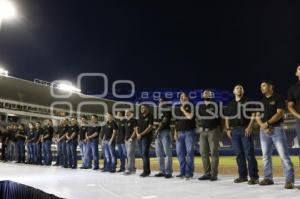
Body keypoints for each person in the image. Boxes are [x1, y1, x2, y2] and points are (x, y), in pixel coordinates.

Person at [256, 80, 294, 189]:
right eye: (261, 86)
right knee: (266, 156)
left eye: (263, 85)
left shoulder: (278, 97)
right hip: (263, 131)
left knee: (283, 156)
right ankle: (268, 178)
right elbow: (257, 116)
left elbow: (280, 113)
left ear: (270, 86)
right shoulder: (261, 101)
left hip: (276, 129)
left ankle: (289, 180)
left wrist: (267, 124)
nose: (261, 88)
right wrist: (263, 126)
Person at [225, 85, 259, 184]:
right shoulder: (230, 104)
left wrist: (249, 127)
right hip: (234, 131)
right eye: (237, 88)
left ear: (243, 91)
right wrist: (227, 129)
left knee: (249, 154)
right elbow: (227, 117)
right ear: (233, 91)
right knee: (239, 155)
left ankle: (254, 177)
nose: (239, 89)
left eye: (241, 88)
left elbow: (253, 115)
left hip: (245, 129)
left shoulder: (248, 102)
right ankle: (242, 176)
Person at [198, 90, 221, 181]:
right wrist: (199, 127)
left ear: (211, 95)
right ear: (202, 95)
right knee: (203, 153)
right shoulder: (200, 106)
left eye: (208, 93)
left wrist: (221, 130)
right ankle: (207, 173)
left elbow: (221, 118)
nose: (206, 94)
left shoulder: (216, 105)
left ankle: (214, 174)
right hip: (203, 132)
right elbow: (198, 118)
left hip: (213, 131)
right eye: (205, 93)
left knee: (214, 153)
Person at [174, 92, 196, 180]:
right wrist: (175, 133)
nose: (182, 98)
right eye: (181, 96)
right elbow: (176, 122)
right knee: (180, 153)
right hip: (179, 133)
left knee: (189, 153)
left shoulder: (191, 106)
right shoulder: (177, 108)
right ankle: (182, 172)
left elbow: (190, 117)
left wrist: (183, 109)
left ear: (188, 98)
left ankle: (189, 173)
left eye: (184, 96)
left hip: (189, 133)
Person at [153, 97, 173, 179]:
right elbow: (154, 122)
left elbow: (165, 121)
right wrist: (155, 130)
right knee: (159, 153)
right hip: (158, 134)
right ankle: (162, 171)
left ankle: (168, 171)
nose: (160, 102)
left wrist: (157, 129)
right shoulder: (157, 111)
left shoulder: (167, 110)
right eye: (159, 101)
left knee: (167, 153)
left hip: (165, 132)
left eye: (162, 101)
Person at [136, 104, 154, 177]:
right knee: (142, 154)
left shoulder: (150, 116)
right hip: (139, 137)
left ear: (147, 109)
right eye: (141, 108)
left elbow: (150, 127)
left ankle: (146, 171)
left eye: (143, 108)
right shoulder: (140, 117)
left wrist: (141, 134)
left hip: (146, 137)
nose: (141, 109)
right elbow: (136, 126)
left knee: (144, 154)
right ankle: (146, 170)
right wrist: (137, 134)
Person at [124, 110, 137, 175]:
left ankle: (129, 169)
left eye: (127, 112)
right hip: (126, 140)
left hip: (131, 140)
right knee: (130, 155)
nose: (126, 113)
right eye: (125, 112)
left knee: (129, 154)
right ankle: (133, 168)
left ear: (131, 113)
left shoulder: (133, 120)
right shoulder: (126, 121)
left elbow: (135, 130)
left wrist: (131, 138)